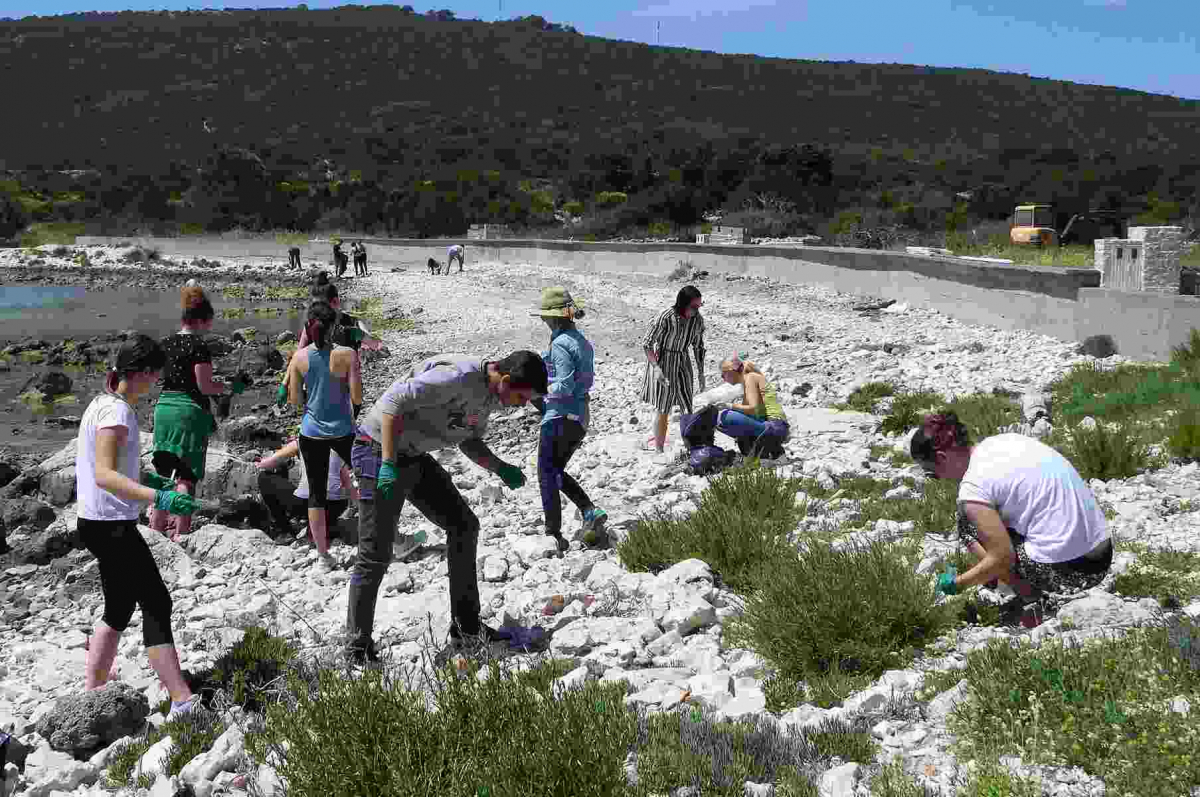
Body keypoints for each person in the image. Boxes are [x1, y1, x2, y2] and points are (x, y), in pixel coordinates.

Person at [345, 351, 548, 664]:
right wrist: (386, 462)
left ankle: (466, 629)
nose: (521, 406)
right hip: (376, 450)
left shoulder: (489, 398)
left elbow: (468, 440)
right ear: (505, 380)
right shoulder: (457, 376)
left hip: (412, 457)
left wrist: (499, 467)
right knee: (375, 554)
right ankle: (357, 651)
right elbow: (393, 402)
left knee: (463, 525)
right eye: (522, 399)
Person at [76, 334, 203, 719]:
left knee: (119, 606)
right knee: (156, 601)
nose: (155, 386)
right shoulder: (116, 413)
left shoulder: (104, 403)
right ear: (143, 373)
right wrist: (158, 499)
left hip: (97, 522)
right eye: (156, 378)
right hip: (109, 524)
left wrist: (155, 481)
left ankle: (93, 693)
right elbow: (103, 474)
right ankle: (182, 701)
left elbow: (119, 469)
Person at [913, 412, 1114, 619]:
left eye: (932, 474)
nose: (938, 479)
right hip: (1102, 556)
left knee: (966, 524)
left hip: (1074, 574)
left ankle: (1033, 598)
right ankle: (1012, 578)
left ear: (941, 458)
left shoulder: (972, 488)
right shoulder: (1002, 442)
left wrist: (958, 583)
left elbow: (1003, 557)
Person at [150, 285, 246, 542]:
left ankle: (155, 530)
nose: (209, 329)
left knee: (162, 476)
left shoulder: (165, 343)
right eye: (209, 323)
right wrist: (227, 386)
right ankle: (182, 533)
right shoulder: (198, 346)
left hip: (163, 409)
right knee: (186, 476)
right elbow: (203, 386)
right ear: (202, 320)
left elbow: (163, 378)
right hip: (188, 412)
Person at [286, 300, 363, 572]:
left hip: (311, 432)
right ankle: (384, 537)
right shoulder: (348, 354)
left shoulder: (299, 357)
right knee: (370, 479)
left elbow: (295, 401)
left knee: (316, 494)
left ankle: (323, 556)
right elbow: (357, 397)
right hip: (343, 430)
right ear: (334, 326)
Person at [529, 288, 607, 554]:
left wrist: (538, 391)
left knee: (545, 475)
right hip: (580, 415)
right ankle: (589, 510)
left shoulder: (561, 343)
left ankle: (553, 533)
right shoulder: (581, 341)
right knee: (556, 471)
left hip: (561, 415)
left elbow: (563, 384)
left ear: (553, 317)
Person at [639, 285, 706, 454]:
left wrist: (701, 372)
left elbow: (698, 346)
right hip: (664, 360)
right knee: (663, 407)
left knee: (687, 405)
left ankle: (691, 446)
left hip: (683, 360)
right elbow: (647, 343)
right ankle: (659, 450)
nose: (697, 311)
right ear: (683, 304)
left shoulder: (697, 321)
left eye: (699, 306)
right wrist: (656, 368)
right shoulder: (666, 317)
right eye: (694, 307)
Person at [256, 436, 356, 546]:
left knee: (264, 477)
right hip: (338, 505)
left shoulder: (303, 440)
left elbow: (268, 463)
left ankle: (284, 530)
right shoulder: (344, 441)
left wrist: (260, 463)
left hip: (311, 505)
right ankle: (327, 524)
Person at [715, 353, 790, 458]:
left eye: (723, 374)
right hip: (775, 427)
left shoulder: (750, 378)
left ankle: (769, 447)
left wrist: (728, 405)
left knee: (724, 416)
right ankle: (765, 450)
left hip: (775, 427)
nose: (723, 378)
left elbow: (753, 409)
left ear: (731, 371)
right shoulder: (749, 381)